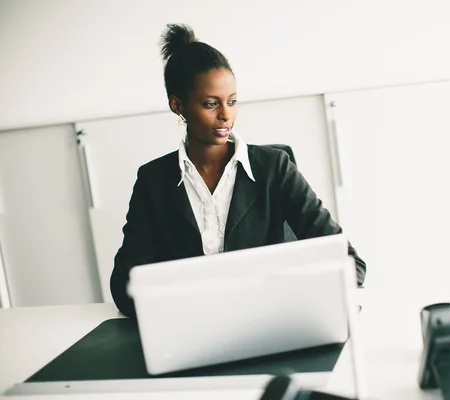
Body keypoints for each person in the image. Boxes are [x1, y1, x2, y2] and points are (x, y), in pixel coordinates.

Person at [110, 23, 366, 318]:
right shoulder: (153, 181)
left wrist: (294, 297)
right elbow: (125, 287)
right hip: (192, 326)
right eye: (210, 104)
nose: (226, 114)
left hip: (269, 319)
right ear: (177, 105)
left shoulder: (274, 168)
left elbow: (348, 263)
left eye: (232, 102)